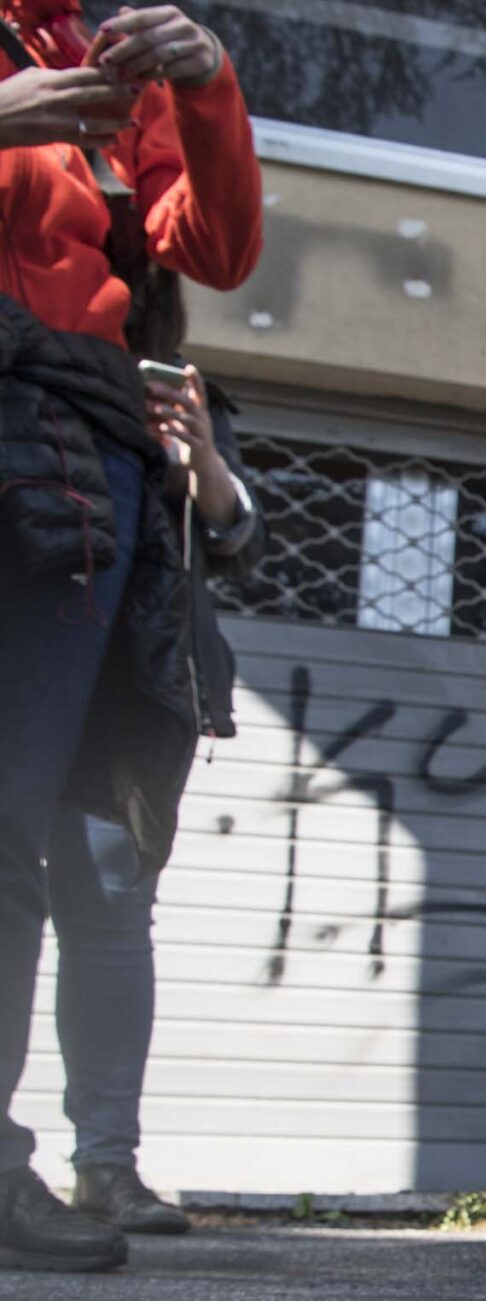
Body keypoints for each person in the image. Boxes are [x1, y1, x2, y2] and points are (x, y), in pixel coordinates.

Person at [0, 2, 260, 1273]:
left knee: (96, 869)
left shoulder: (104, 58)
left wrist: (208, 88)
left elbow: (213, 242)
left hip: (90, 479)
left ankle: (95, 1156)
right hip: (25, 442)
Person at [44, 267, 258, 1240]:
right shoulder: (29, 380)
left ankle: (106, 1166)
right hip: (36, 656)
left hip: (135, 687)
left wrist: (198, 451)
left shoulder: (183, 396)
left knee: (112, 914)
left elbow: (234, 536)